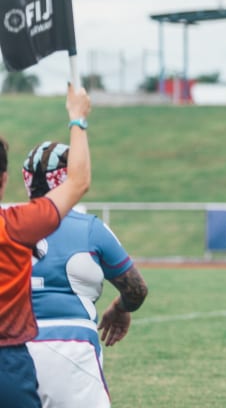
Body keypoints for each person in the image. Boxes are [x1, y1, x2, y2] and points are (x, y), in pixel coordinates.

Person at [24, 139, 149, 408]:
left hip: (12, 346)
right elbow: (136, 290)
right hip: (72, 346)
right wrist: (120, 308)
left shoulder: (7, 222)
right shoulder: (90, 228)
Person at [0, 85, 92, 408]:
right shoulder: (17, 224)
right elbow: (78, 182)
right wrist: (77, 118)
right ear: (4, 179)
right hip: (6, 362)